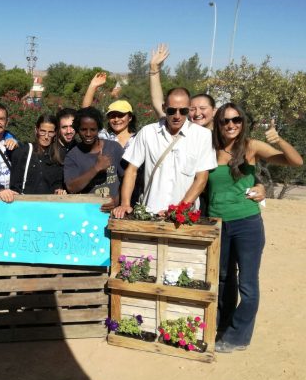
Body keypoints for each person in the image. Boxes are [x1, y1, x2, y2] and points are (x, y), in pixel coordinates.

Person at [210, 104, 302, 353]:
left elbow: (295, 161)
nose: (231, 125)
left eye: (236, 120)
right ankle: (222, 326)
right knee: (223, 278)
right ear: (217, 123)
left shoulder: (251, 146)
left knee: (247, 284)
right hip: (216, 224)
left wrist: (279, 140)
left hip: (246, 223)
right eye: (225, 121)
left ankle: (238, 337)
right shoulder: (209, 147)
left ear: (242, 122)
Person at [112, 88, 217, 218]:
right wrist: (125, 203)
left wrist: (178, 210)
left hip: (184, 216)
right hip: (149, 213)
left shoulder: (203, 135)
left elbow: (201, 178)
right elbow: (131, 170)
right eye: (172, 110)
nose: (177, 116)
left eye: (183, 111)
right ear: (164, 107)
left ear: (189, 109)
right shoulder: (148, 132)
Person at [64, 107, 124, 209]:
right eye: (83, 129)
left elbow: (126, 179)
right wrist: (96, 168)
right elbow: (71, 188)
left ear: (99, 129)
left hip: (115, 212)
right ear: (77, 130)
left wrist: (117, 201)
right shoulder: (73, 156)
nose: (88, 134)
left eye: (93, 129)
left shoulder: (114, 148)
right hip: (87, 213)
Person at [149, 44, 217, 129]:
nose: (197, 113)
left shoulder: (225, 134)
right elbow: (158, 102)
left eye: (203, 108)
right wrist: (154, 70)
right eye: (192, 109)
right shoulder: (178, 127)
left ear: (214, 110)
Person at [10, 114, 67, 195]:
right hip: (27, 204)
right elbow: (15, 185)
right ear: (36, 130)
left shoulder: (60, 155)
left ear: (55, 133)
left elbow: (58, 183)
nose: (46, 136)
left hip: (50, 204)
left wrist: (59, 190)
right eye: (43, 131)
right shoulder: (23, 152)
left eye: (50, 132)